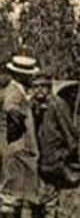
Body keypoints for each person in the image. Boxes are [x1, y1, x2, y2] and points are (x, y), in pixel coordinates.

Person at [32, 73, 80, 216]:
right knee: (37, 202)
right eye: (36, 86)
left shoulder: (58, 105)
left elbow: (71, 135)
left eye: (43, 86)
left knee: (49, 202)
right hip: (37, 162)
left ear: (49, 87)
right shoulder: (34, 106)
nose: (39, 90)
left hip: (53, 162)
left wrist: (62, 155)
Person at [0, 56, 42, 218]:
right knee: (11, 198)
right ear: (20, 76)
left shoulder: (16, 90)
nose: (31, 77)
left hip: (15, 150)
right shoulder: (15, 92)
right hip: (18, 151)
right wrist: (17, 125)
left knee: (15, 196)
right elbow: (11, 107)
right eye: (28, 75)